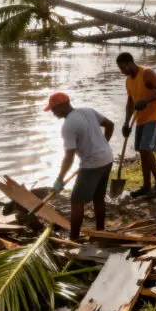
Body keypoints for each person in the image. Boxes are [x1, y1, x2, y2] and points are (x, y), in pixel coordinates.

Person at [44, 93, 115, 241]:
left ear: (63, 105)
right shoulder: (88, 111)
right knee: (98, 198)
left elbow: (69, 158)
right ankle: (100, 232)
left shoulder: (68, 126)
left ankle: (74, 238)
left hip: (92, 164)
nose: (53, 112)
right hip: (107, 158)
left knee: (76, 201)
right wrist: (103, 144)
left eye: (54, 109)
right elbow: (110, 124)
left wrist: (59, 179)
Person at [116, 52, 156, 198]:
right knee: (141, 151)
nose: (122, 72)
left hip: (155, 116)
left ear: (129, 63)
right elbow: (130, 102)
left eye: (122, 68)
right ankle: (146, 186)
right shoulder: (128, 80)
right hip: (140, 118)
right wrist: (126, 123)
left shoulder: (147, 73)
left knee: (146, 148)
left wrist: (146, 101)